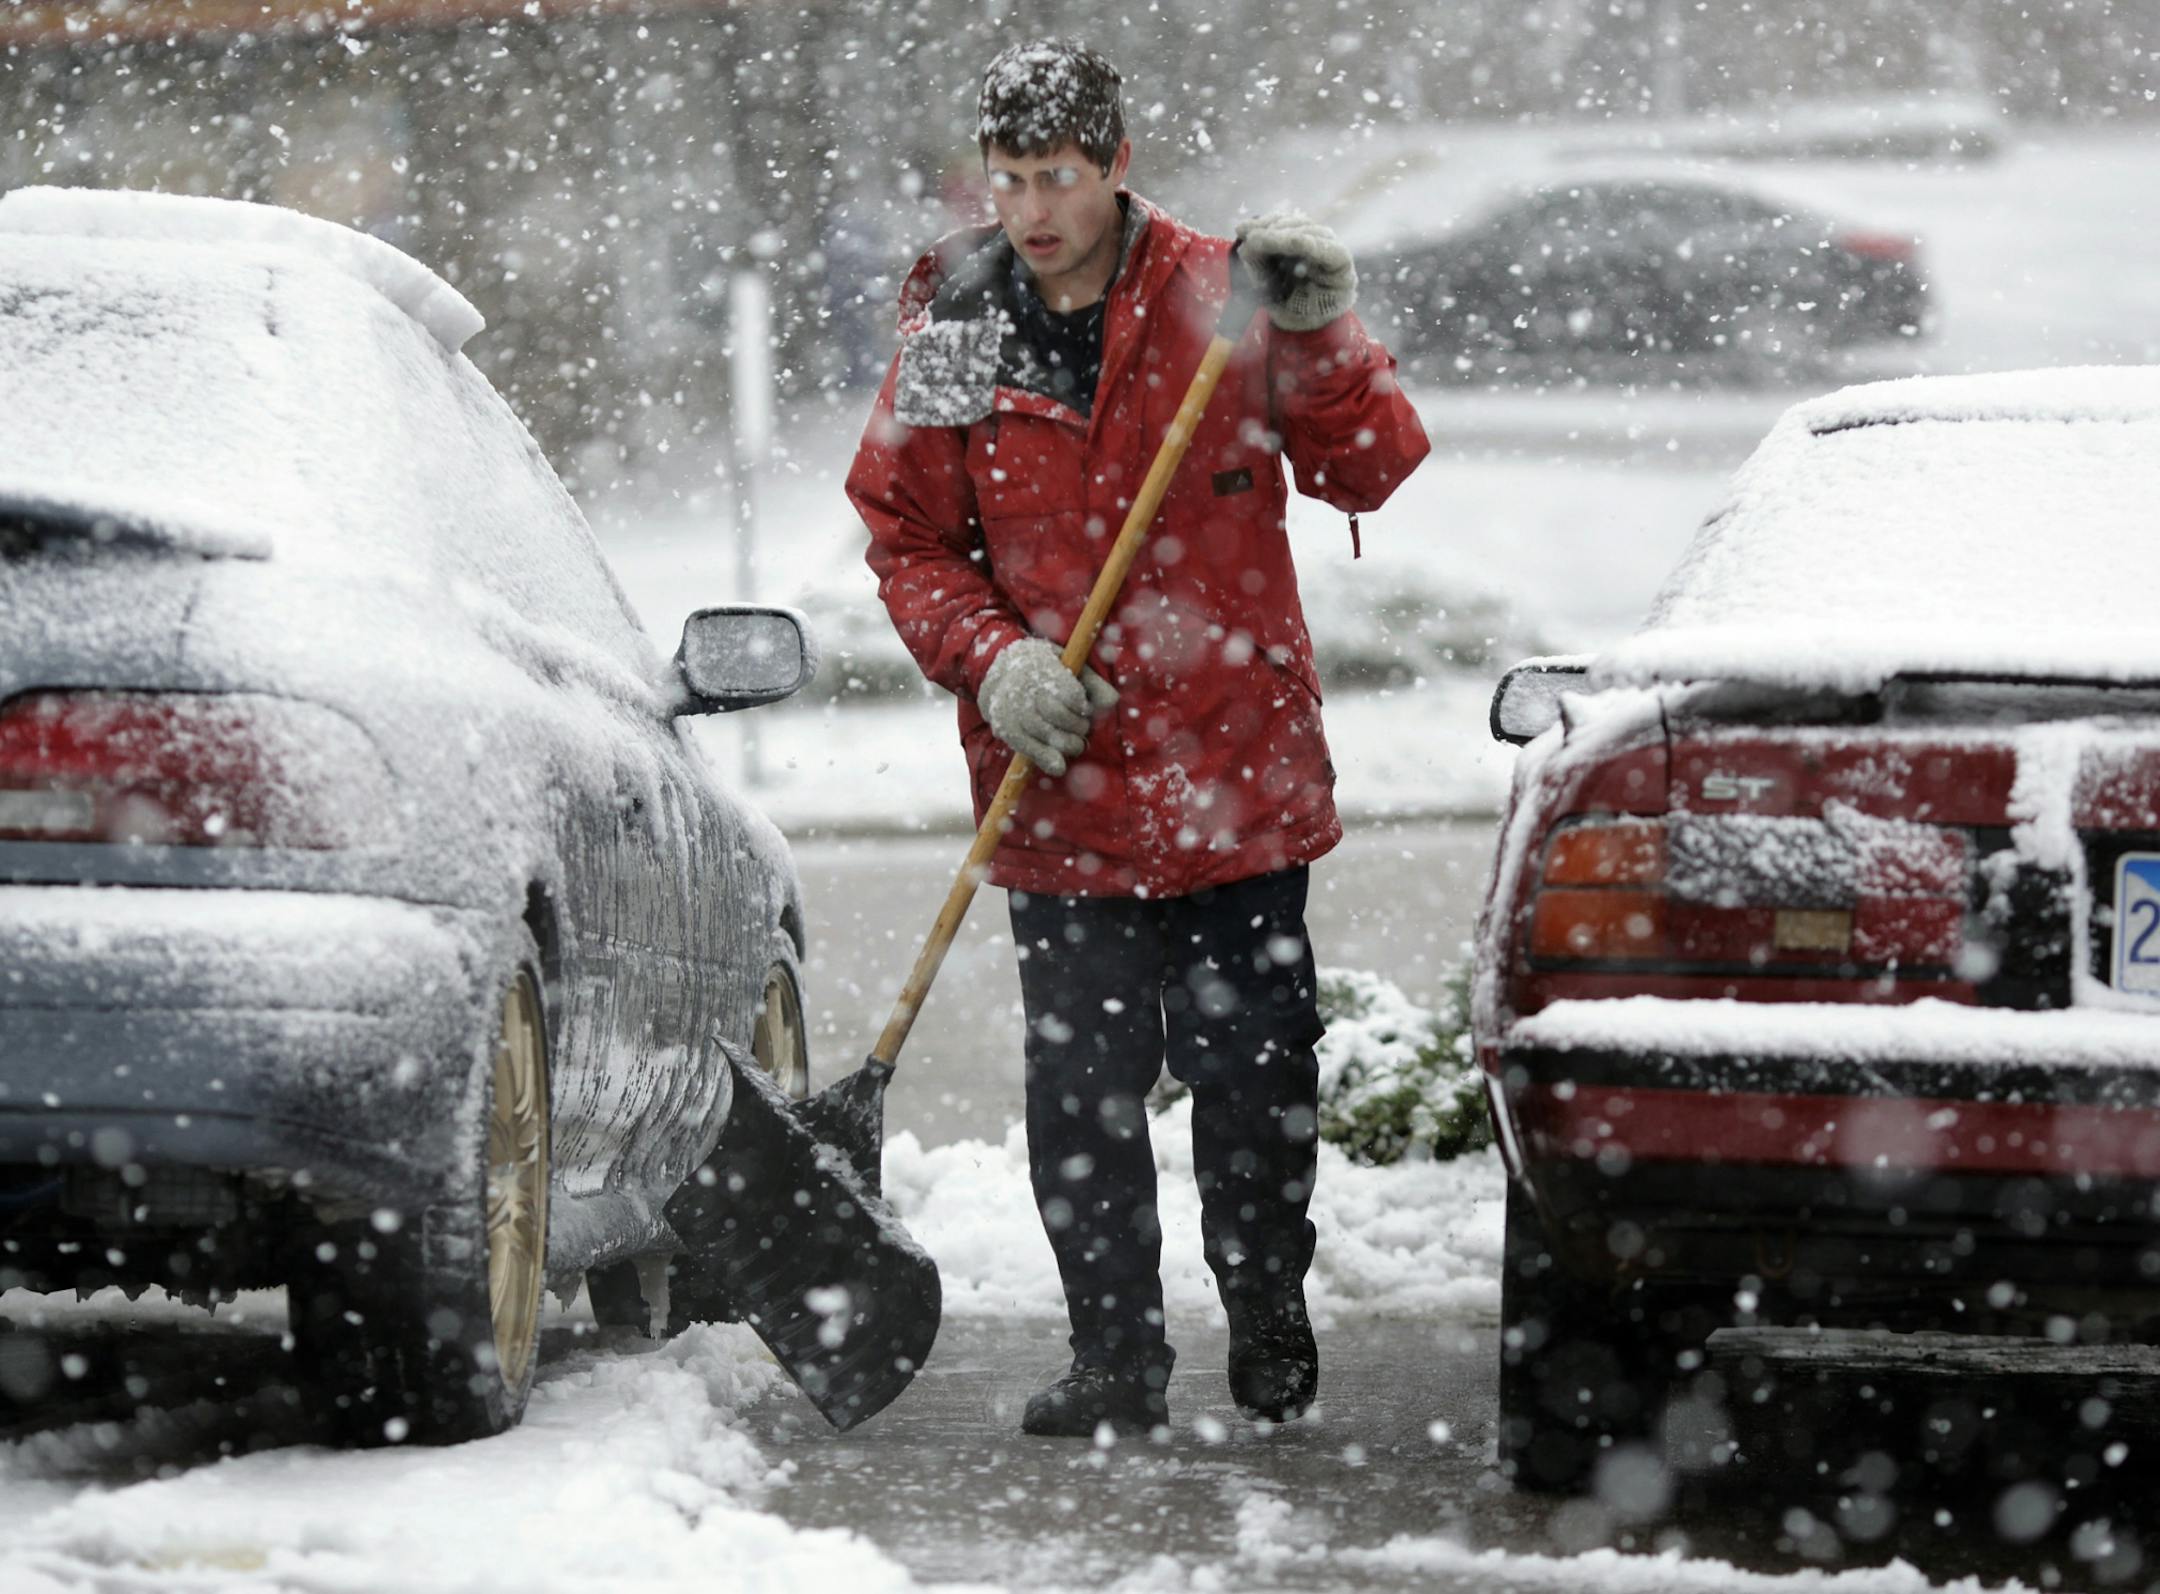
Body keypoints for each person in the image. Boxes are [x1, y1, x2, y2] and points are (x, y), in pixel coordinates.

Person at [845, 38, 1429, 1438]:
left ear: (1119, 163)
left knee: (1255, 1082)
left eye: (1057, 177)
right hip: (1061, 784)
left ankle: (1266, 1307)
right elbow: (909, 538)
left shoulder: (1231, 296)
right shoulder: (961, 322)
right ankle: (1115, 1356)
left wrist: (1327, 333)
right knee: (1085, 1098)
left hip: (1238, 770)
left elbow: (1374, 462)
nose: (1031, 210)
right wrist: (995, 663)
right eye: (1008, 181)